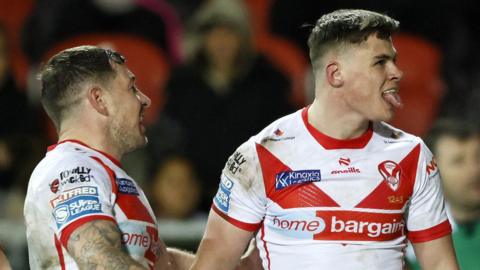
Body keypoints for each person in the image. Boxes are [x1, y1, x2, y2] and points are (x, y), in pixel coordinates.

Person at [190, 9, 459, 270]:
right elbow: (213, 264)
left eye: (393, 60)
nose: (397, 72)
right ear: (335, 74)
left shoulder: (412, 155)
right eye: (380, 62)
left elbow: (440, 264)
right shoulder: (260, 155)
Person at [148, 0, 293, 213]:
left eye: (230, 34)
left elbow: (284, 138)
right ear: (202, 39)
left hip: (254, 189)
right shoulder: (183, 83)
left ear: (243, 39)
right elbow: (166, 136)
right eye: (214, 34)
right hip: (194, 193)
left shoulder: (268, 81)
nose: (222, 42)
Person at [407, 119, 480, 270]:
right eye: (458, 161)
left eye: (478, 157)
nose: (474, 170)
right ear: (432, 172)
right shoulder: (411, 246)